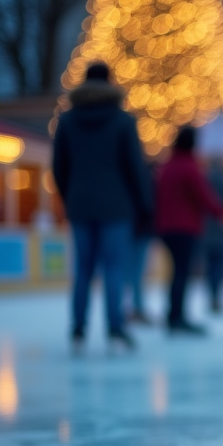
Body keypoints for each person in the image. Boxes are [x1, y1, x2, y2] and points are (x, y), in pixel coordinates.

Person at [53, 61, 152, 353]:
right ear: (110, 83)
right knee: (114, 268)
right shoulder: (123, 121)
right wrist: (144, 204)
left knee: (83, 269)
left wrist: (69, 195)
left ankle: (78, 329)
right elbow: (136, 167)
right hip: (117, 206)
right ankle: (116, 329)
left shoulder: (67, 120)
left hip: (81, 204)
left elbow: (59, 166)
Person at [153, 126, 223, 335]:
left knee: (177, 271)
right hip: (184, 228)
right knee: (182, 272)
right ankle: (177, 316)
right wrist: (222, 214)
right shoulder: (189, 166)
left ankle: (174, 314)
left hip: (166, 227)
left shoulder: (168, 165)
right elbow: (203, 195)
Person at [124, 160, 157, 326]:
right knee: (135, 272)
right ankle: (135, 308)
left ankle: (132, 307)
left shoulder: (129, 179)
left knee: (131, 271)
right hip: (138, 231)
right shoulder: (145, 182)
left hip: (131, 229)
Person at [202, 159, 223, 315]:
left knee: (210, 266)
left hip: (207, 229)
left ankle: (212, 297)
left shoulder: (205, 181)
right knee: (219, 266)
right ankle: (217, 297)